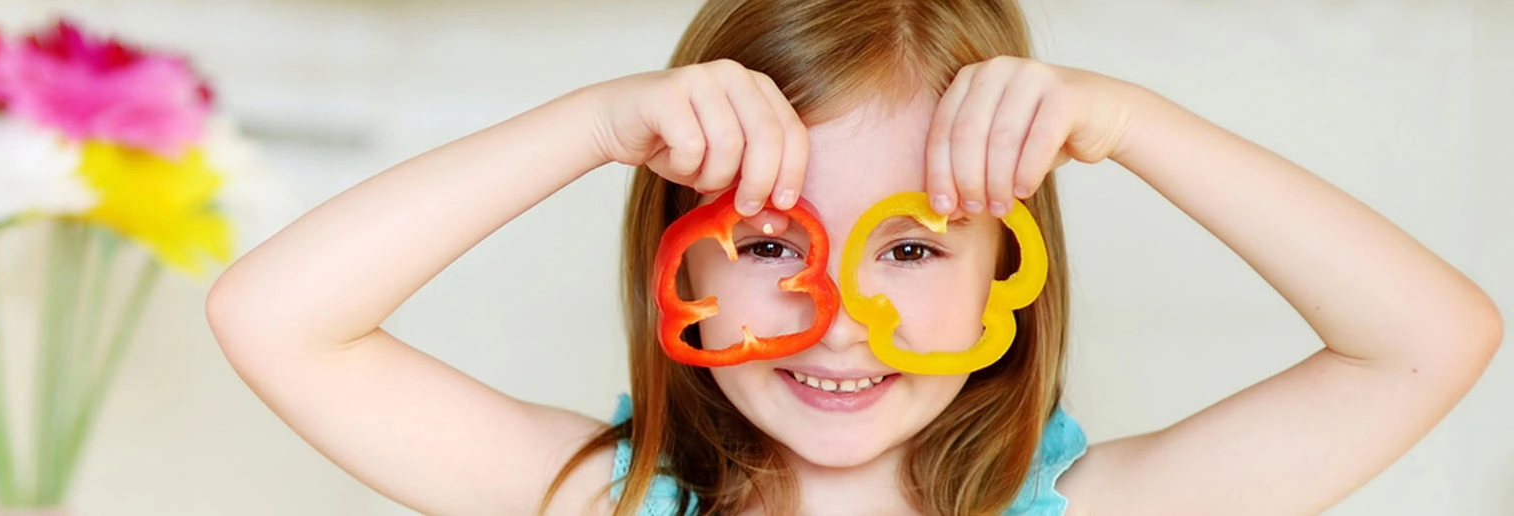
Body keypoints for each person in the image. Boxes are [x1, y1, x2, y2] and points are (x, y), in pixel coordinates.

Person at [205, 0, 1503, 513]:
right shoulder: (605, 497)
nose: (841, 318)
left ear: (1013, 270)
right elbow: (276, 318)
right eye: (770, 239)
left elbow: (1429, 343)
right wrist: (589, 128)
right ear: (678, 262)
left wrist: (1133, 125)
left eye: (915, 247)